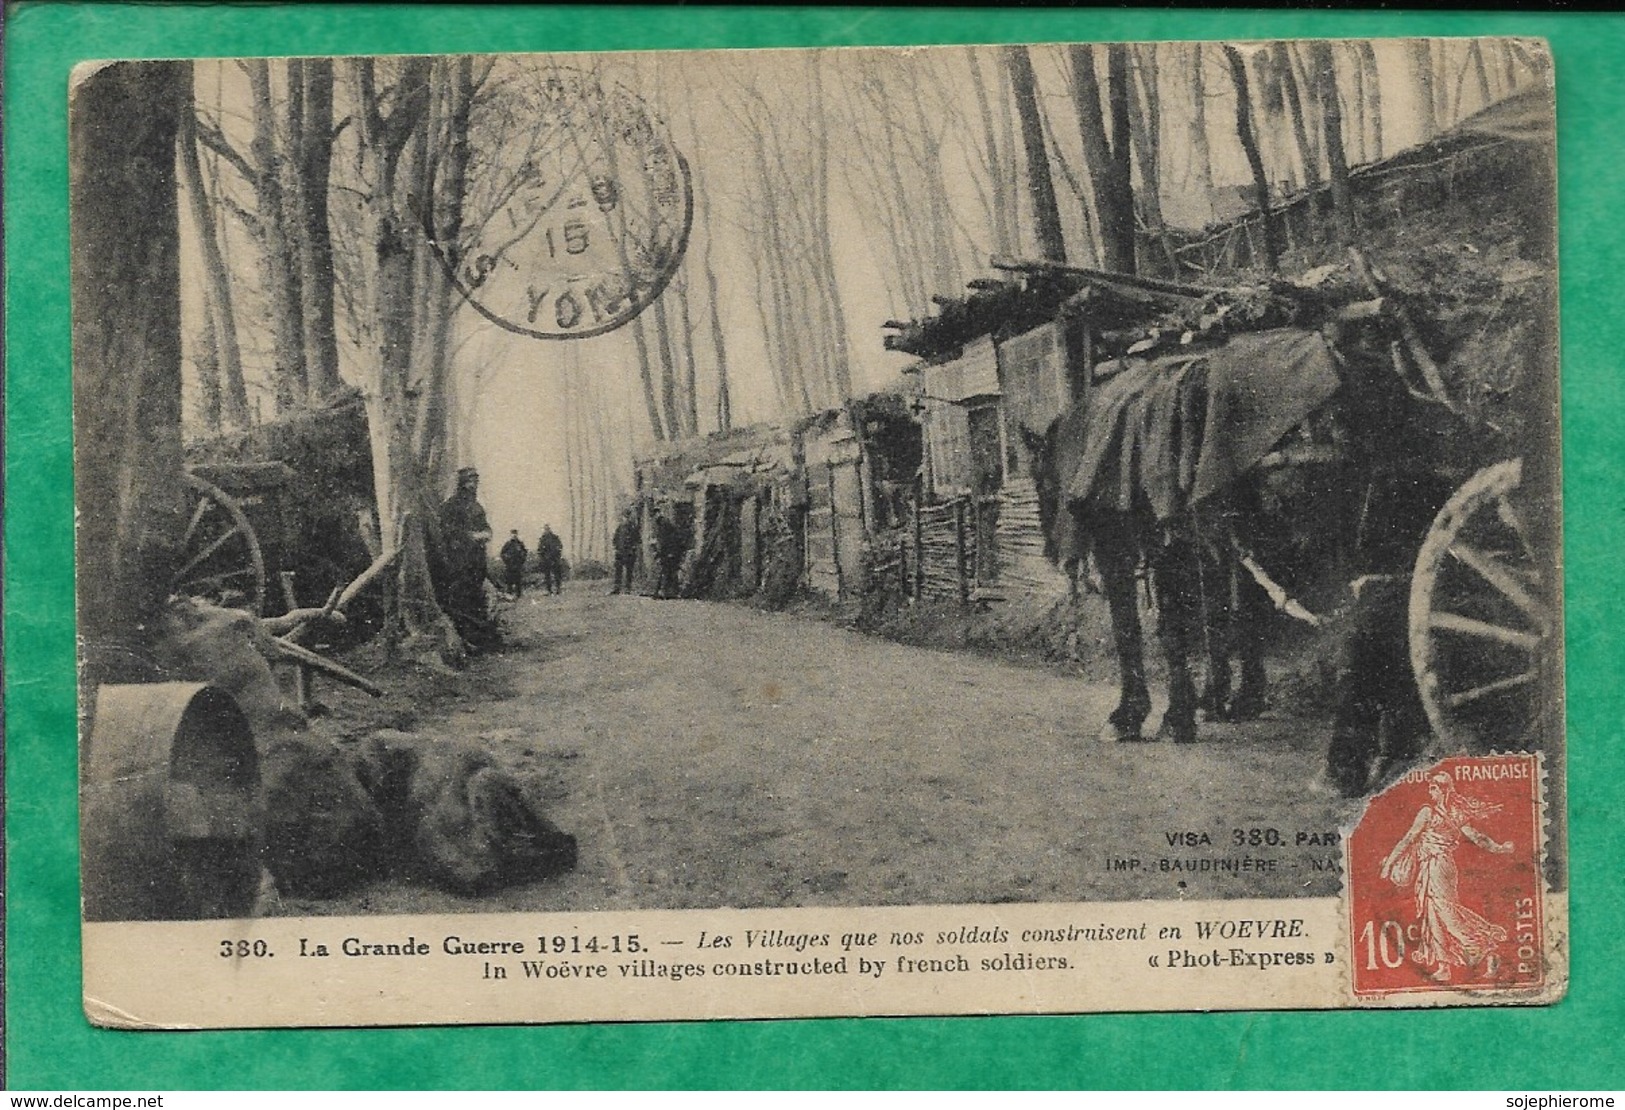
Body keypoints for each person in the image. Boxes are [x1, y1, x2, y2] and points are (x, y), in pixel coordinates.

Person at [1379, 772, 1513, 983]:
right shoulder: (1456, 813)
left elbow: (1409, 838)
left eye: (1433, 788)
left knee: (1445, 913)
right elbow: (1477, 838)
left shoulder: (1428, 812)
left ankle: (1485, 947)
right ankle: (1444, 967)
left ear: (1443, 790)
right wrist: (1499, 848)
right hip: (1436, 866)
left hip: (1437, 866)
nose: (1430, 792)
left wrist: (1389, 864)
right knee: (1433, 915)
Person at [437, 467, 494, 647]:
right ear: (461, 483)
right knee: (461, 598)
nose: (474, 485)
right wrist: (470, 536)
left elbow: (486, 527)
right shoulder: (450, 506)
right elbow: (446, 531)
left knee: (477, 596)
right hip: (458, 560)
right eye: (470, 481)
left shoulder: (477, 507)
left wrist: (486, 533)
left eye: (476, 481)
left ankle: (480, 638)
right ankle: (466, 638)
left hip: (476, 560)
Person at [652, 505, 687, 600]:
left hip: (671, 552)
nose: (655, 516)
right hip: (670, 551)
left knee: (668, 571)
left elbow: (665, 540)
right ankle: (666, 592)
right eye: (654, 515)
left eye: (656, 514)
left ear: (659, 513)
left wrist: (662, 552)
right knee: (669, 571)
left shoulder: (664, 523)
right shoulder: (662, 523)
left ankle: (664, 592)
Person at [611, 510, 641, 595]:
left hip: (629, 552)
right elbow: (615, 539)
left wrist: (633, 548)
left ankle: (628, 588)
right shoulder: (620, 527)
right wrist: (616, 548)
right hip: (620, 552)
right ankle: (617, 588)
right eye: (624, 517)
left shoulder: (633, 528)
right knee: (618, 570)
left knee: (629, 571)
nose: (625, 519)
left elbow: (638, 540)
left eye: (627, 517)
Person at [499, 530, 528, 599]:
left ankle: (518, 594)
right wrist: (506, 559)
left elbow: (525, 552)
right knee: (509, 580)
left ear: (517, 535)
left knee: (518, 579)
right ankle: (510, 593)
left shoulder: (520, 544)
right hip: (510, 565)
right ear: (510, 535)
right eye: (512, 534)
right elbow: (502, 553)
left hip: (518, 564)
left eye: (515, 534)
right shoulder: (508, 544)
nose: (514, 535)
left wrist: (522, 560)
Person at [536, 524, 564, 595]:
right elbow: (539, 550)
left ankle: (558, 589)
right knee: (547, 576)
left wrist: (557, 555)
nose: (546, 530)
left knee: (557, 575)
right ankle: (549, 590)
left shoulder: (555, 538)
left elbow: (560, 547)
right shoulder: (542, 539)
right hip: (546, 560)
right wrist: (543, 557)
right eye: (545, 529)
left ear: (550, 529)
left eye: (547, 529)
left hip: (555, 559)